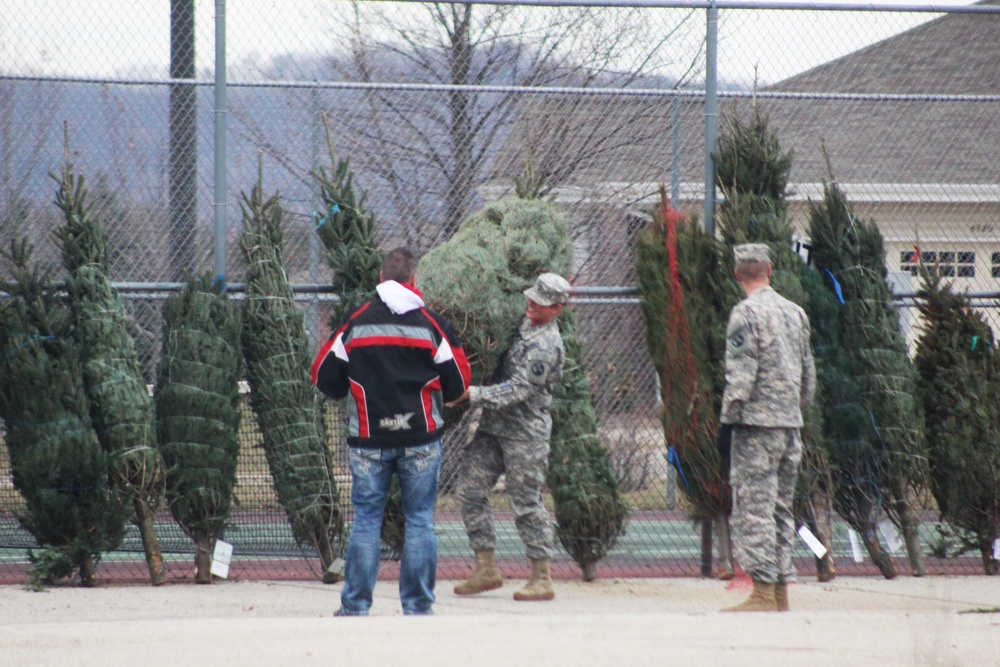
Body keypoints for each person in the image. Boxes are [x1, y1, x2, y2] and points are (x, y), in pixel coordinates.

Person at [311, 246, 471, 616]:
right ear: (414, 280)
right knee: (419, 519)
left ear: (381, 279)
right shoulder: (433, 325)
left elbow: (322, 375)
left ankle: (355, 606)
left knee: (366, 519)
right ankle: (417, 607)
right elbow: (460, 381)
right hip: (421, 440)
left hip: (369, 440)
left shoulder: (356, 323)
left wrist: (345, 390)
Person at [447, 272, 570, 602]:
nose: (531, 305)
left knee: (526, 503)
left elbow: (520, 388)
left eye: (540, 303)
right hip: (492, 428)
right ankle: (486, 568)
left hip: (524, 435)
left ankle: (541, 577)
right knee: (470, 490)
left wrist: (472, 394)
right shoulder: (520, 324)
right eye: (531, 298)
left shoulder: (545, 346)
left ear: (557, 308)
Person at [720, 243, 816, 613]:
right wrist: (795, 410)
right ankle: (780, 592)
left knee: (753, 507)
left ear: (736, 274)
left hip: (756, 426)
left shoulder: (745, 314)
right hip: (790, 424)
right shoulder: (795, 312)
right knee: (781, 508)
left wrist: (729, 419)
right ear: (770, 270)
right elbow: (808, 374)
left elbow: (741, 374)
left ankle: (762, 590)